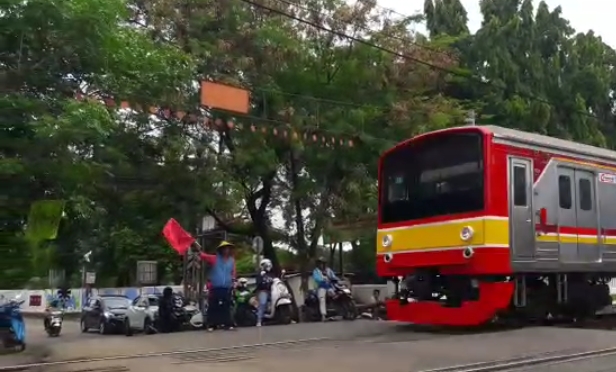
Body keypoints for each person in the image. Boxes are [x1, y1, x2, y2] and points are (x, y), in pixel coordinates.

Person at [200, 241, 236, 331]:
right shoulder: (215, 259)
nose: (226, 250)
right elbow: (203, 256)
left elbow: (233, 272)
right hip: (215, 286)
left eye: (228, 248)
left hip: (226, 287)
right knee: (213, 305)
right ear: (221, 250)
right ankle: (211, 324)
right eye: (224, 248)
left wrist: (234, 281)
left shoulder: (232, 261)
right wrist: (197, 248)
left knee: (226, 305)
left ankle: (227, 323)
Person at [312, 257, 339, 321]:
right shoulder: (316, 271)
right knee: (322, 298)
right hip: (320, 287)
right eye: (320, 263)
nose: (321, 265)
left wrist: (336, 279)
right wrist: (323, 280)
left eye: (323, 263)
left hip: (329, 286)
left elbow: (333, 276)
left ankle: (336, 311)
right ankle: (323, 315)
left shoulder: (328, 270)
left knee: (335, 295)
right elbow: (316, 278)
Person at [255, 258, 275, 327]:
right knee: (263, 303)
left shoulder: (271, 274)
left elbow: (276, 281)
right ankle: (259, 321)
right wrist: (262, 277)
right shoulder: (260, 274)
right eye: (266, 266)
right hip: (263, 291)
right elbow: (258, 283)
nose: (268, 267)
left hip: (272, 291)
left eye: (269, 265)